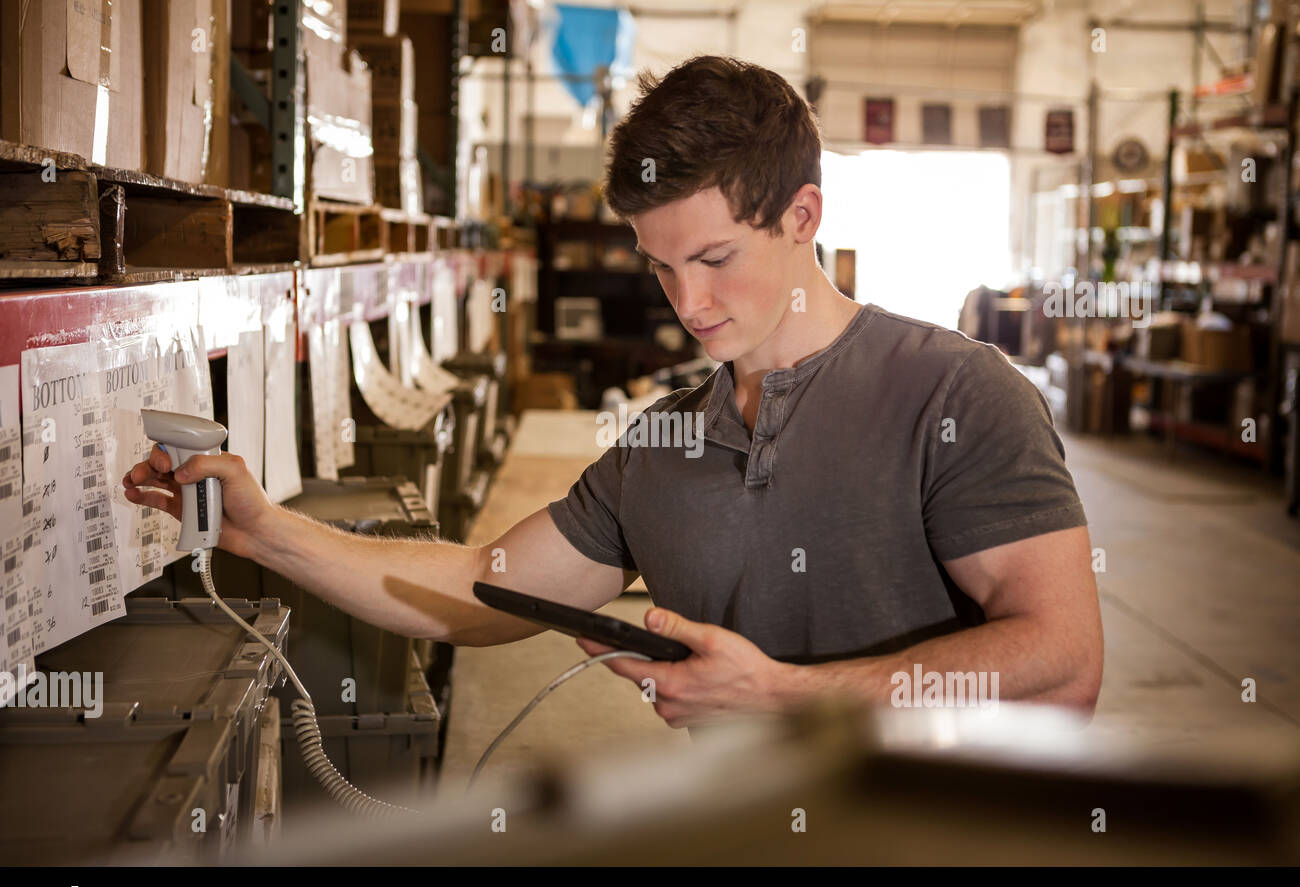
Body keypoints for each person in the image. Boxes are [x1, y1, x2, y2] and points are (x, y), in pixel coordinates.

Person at [124, 55, 1102, 730]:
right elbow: (482, 588)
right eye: (662, 265)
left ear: (804, 214)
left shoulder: (957, 393)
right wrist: (261, 529)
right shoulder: (663, 448)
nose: (689, 301)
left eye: (715, 257)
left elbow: (1061, 658)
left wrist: (789, 694)